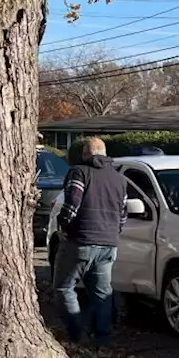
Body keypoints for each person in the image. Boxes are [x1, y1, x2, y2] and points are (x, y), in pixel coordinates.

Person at [53, 138, 127, 345]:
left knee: (64, 288)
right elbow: (122, 215)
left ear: (85, 154)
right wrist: (113, 232)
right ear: (104, 154)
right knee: (102, 293)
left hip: (81, 240)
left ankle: (77, 334)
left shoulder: (79, 172)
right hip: (108, 243)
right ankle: (101, 338)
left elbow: (72, 205)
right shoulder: (120, 179)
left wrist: (63, 226)